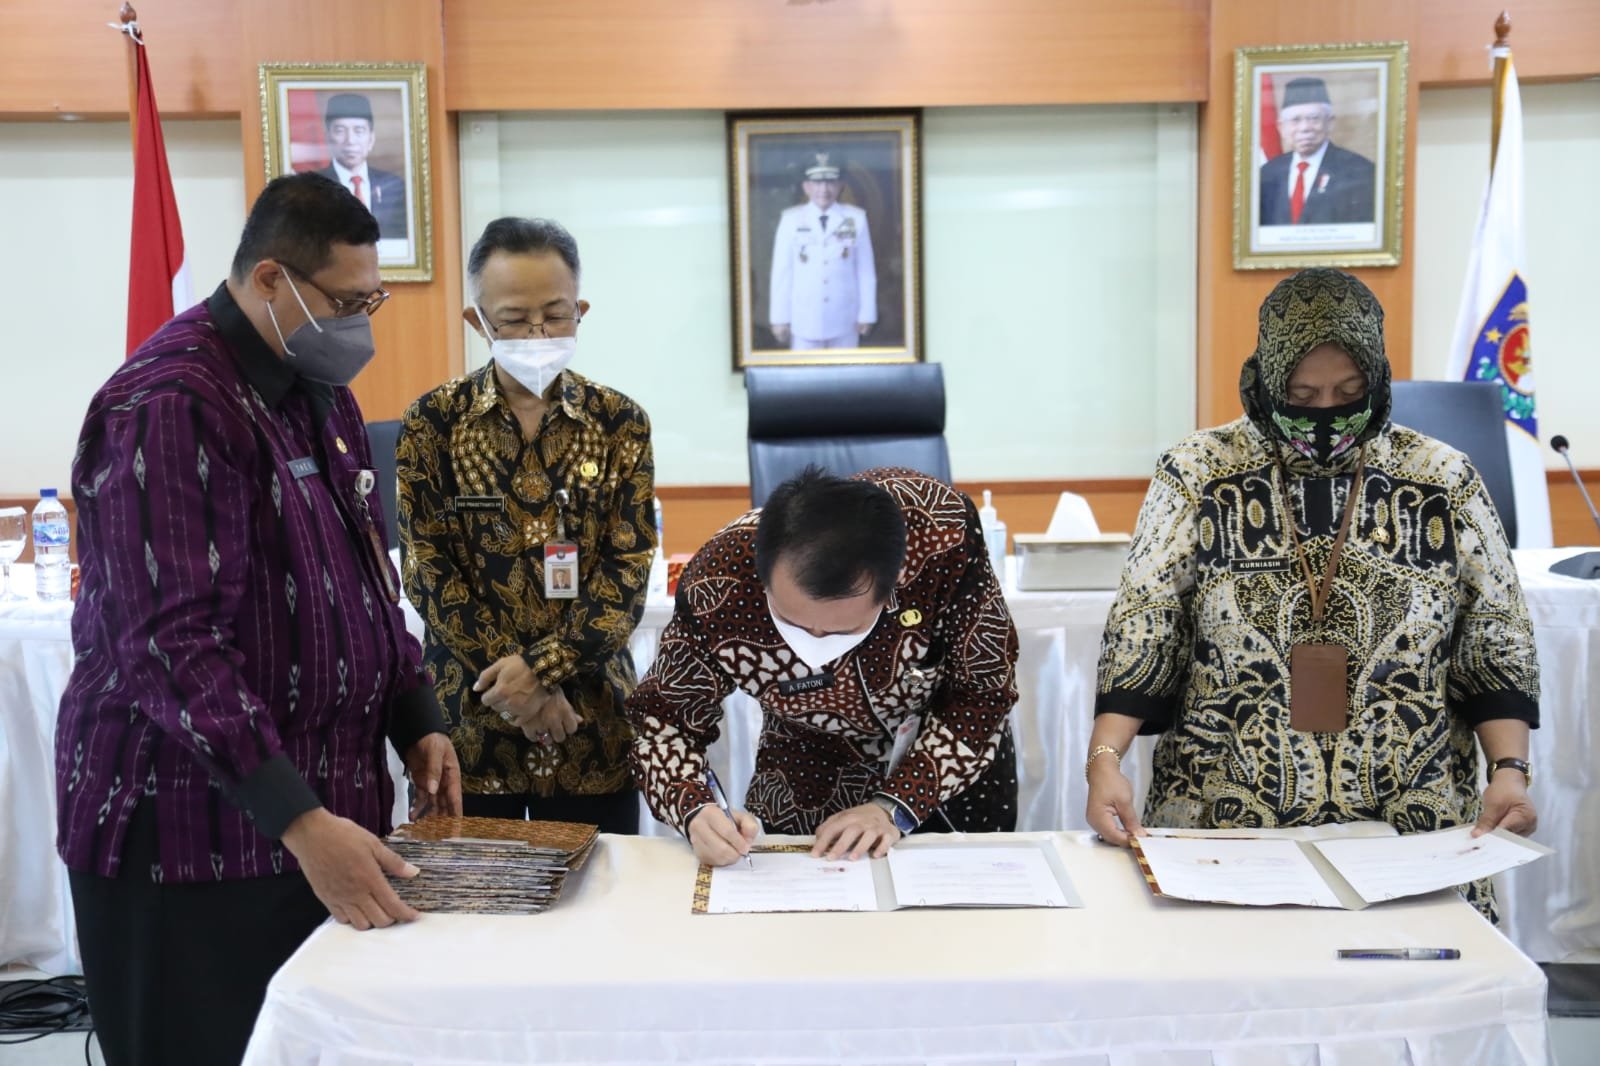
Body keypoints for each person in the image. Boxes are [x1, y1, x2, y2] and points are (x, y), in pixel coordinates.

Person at [57, 172, 462, 1066]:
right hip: (192, 836)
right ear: (273, 279)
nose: (363, 323)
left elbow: (364, 577)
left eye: (373, 298)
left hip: (317, 822)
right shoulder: (170, 404)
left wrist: (417, 716)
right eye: (348, 301)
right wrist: (300, 819)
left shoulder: (316, 389)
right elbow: (171, 644)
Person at [1086, 268, 1539, 920]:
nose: (1326, 412)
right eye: (1302, 393)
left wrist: (1510, 772)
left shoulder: (1441, 477)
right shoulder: (1199, 472)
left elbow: (1494, 640)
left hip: (1411, 823)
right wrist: (1105, 760)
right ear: (1267, 377)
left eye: (1349, 391)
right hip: (1228, 815)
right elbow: (1145, 628)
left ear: (1378, 378)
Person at [398, 217, 655, 833]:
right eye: (514, 318)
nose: (537, 332)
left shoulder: (621, 423)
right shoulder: (432, 424)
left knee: (601, 908)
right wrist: (518, 688)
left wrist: (542, 671)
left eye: (556, 314)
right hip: (471, 728)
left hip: (591, 722)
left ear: (580, 309)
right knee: (474, 911)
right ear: (477, 321)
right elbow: (428, 570)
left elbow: (628, 569)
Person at [628, 466, 1019, 866]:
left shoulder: (941, 534)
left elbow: (984, 692)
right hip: (805, 761)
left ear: (894, 587)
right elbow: (664, 722)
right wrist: (694, 809)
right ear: (762, 577)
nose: (816, 647)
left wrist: (895, 805)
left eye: (842, 632)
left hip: (943, 761)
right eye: (792, 623)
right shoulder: (722, 577)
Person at [768, 153, 877, 350]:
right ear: (806, 187)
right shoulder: (791, 220)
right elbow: (782, 273)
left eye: (830, 182)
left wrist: (866, 314)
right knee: (804, 379)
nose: (824, 190)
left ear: (840, 185)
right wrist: (780, 318)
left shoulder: (856, 219)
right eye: (817, 183)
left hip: (845, 319)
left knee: (844, 378)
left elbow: (865, 271)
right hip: (804, 320)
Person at [1258, 77, 1376, 226]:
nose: (1305, 128)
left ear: (1330, 122)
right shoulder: (1267, 173)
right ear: (1281, 128)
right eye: (1295, 120)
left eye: (1314, 119)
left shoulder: (1361, 172)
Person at [314, 91, 409, 241]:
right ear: (328, 138)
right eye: (340, 131)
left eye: (359, 131)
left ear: (371, 139)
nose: (350, 140)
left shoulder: (394, 186)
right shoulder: (313, 188)